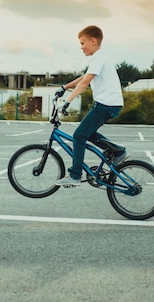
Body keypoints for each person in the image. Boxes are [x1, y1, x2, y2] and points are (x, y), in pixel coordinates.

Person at [54, 25, 128, 187]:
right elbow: (84, 77)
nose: (81, 47)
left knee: (79, 135)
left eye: (82, 43)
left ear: (93, 41)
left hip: (106, 104)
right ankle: (117, 151)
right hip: (111, 104)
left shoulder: (98, 57)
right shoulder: (100, 58)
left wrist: (67, 102)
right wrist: (64, 88)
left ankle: (75, 175)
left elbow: (85, 83)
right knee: (87, 133)